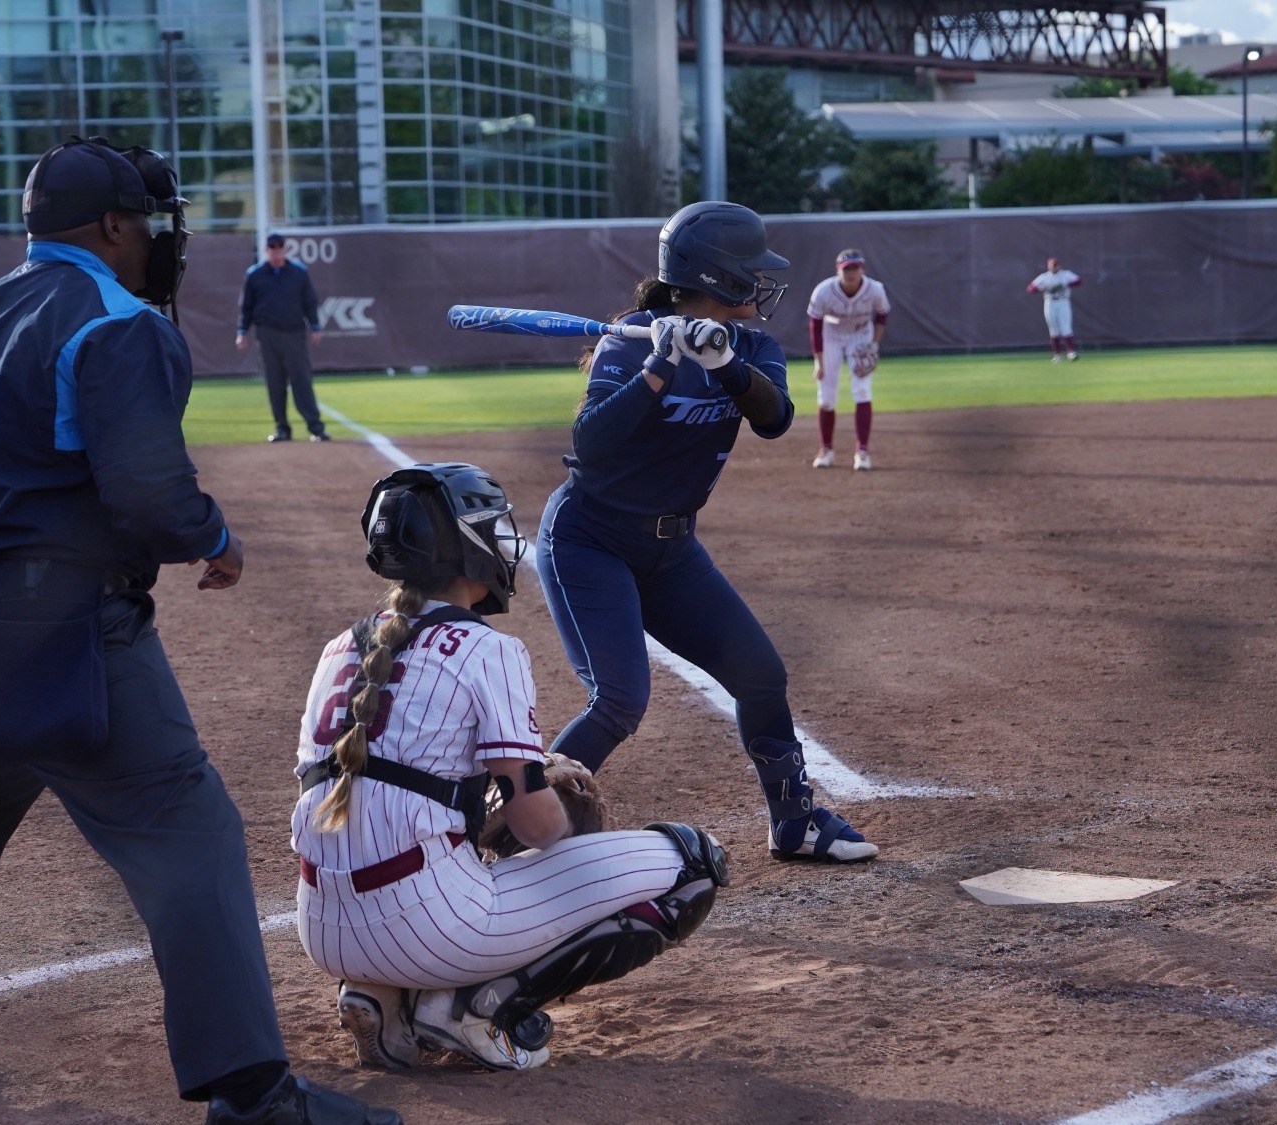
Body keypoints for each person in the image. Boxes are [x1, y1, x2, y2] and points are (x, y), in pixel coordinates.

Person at [0, 137, 397, 1125]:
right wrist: (213, 537)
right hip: (57, 627)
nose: (162, 239)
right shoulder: (116, 321)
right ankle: (253, 1094)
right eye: (154, 223)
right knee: (183, 822)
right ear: (115, 227)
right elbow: (145, 492)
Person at [290, 461, 729, 1074]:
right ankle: (469, 1005)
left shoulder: (337, 649)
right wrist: (548, 784)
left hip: (323, 929)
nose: (502, 540)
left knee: (420, 839)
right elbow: (538, 830)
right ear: (467, 548)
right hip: (427, 928)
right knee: (695, 864)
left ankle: (386, 999)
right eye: (491, 527)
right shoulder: (488, 649)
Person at [534, 201, 879, 865]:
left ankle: (795, 823)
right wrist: (657, 368)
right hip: (591, 537)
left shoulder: (751, 345)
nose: (762, 285)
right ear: (716, 278)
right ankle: (518, 828)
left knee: (760, 673)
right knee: (620, 699)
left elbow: (775, 416)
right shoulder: (629, 339)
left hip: (671, 550)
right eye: (750, 273)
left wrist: (722, 365)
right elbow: (593, 443)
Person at [803, 248, 890, 471]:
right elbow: (815, 327)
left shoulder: (875, 289)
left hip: (861, 336)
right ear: (838, 270)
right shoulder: (823, 291)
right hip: (830, 337)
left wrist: (874, 344)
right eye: (846, 269)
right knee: (826, 398)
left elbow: (882, 314)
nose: (851, 273)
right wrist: (819, 362)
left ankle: (862, 452)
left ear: (862, 269)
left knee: (862, 391)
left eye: (855, 268)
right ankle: (826, 450)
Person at [237, 233, 329, 442]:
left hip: (294, 333)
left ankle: (315, 427)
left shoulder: (298, 272)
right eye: (272, 247)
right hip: (267, 334)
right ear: (265, 250)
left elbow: (309, 302)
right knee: (274, 382)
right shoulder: (254, 274)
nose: (276, 251)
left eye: (279, 247)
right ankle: (282, 428)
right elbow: (246, 306)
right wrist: (242, 332)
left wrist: (315, 327)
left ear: (285, 249)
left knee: (301, 380)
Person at [1028, 256, 1083, 362]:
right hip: (1050, 302)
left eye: (1055, 265)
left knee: (1066, 328)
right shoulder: (1044, 277)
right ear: (1048, 266)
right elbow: (1030, 288)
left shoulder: (1065, 274)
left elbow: (1079, 281)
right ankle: (1057, 355)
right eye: (1051, 266)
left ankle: (1071, 352)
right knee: (1054, 329)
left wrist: (1066, 284)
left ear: (1059, 266)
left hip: (1063, 302)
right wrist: (1042, 288)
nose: (1053, 268)